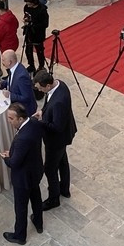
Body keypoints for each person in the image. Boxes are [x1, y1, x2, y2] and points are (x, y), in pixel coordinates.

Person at [1, 102, 44, 245]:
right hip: (35, 171)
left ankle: (20, 236)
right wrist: (14, 154)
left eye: (11, 118)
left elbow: (14, 163)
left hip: (23, 178)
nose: (9, 121)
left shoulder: (22, 138)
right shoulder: (33, 122)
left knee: (20, 207)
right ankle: (38, 223)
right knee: (36, 197)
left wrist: (7, 157)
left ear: (20, 119)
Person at [34, 71, 75, 208]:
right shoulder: (59, 84)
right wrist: (43, 112)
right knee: (62, 161)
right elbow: (48, 102)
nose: (39, 91)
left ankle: (54, 199)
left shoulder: (59, 102)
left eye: (40, 88)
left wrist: (40, 122)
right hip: (63, 137)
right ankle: (64, 189)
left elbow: (56, 127)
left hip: (56, 140)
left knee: (50, 169)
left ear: (48, 85)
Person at [0, 49, 37, 116]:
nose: (2, 62)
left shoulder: (21, 77)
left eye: (3, 60)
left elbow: (26, 97)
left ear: (10, 62)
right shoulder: (13, 68)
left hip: (25, 111)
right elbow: (10, 80)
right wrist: (0, 85)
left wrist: (10, 95)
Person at [21, 0, 49, 73]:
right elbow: (26, 15)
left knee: (39, 51)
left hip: (38, 33)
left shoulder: (42, 10)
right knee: (28, 50)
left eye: (29, 4)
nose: (28, 5)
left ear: (34, 2)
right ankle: (31, 65)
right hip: (29, 32)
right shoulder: (27, 7)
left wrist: (32, 24)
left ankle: (41, 66)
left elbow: (45, 24)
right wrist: (26, 20)